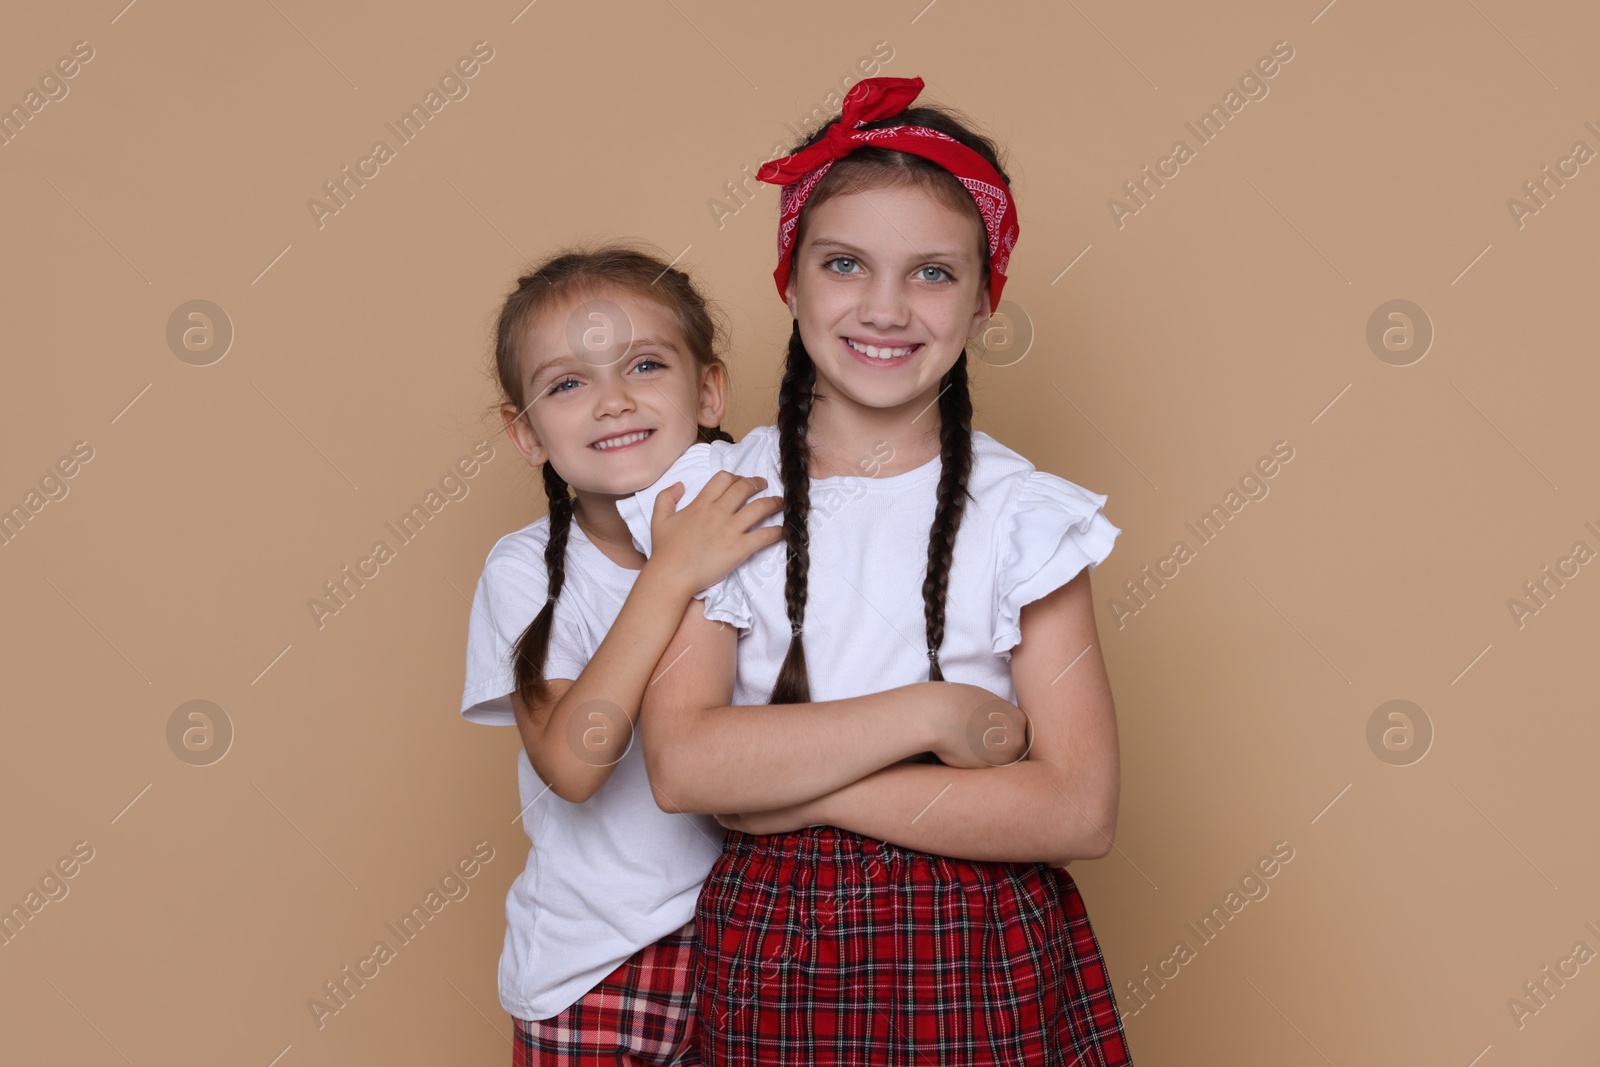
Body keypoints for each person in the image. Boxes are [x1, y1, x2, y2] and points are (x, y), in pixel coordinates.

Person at [618, 78, 1134, 1065]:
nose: (886, 307)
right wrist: (929, 717)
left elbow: (1078, 806)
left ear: (986, 296)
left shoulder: (1025, 515)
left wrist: (792, 789)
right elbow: (686, 765)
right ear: (790, 278)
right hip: (779, 941)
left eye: (932, 273)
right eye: (845, 262)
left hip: (982, 946)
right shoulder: (720, 493)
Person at [460, 244, 786, 1065]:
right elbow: (575, 763)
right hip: (592, 972)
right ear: (526, 431)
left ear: (708, 390)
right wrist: (674, 571)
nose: (612, 402)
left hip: (749, 946)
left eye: (644, 364)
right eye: (568, 383)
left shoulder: (771, 534)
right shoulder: (524, 570)